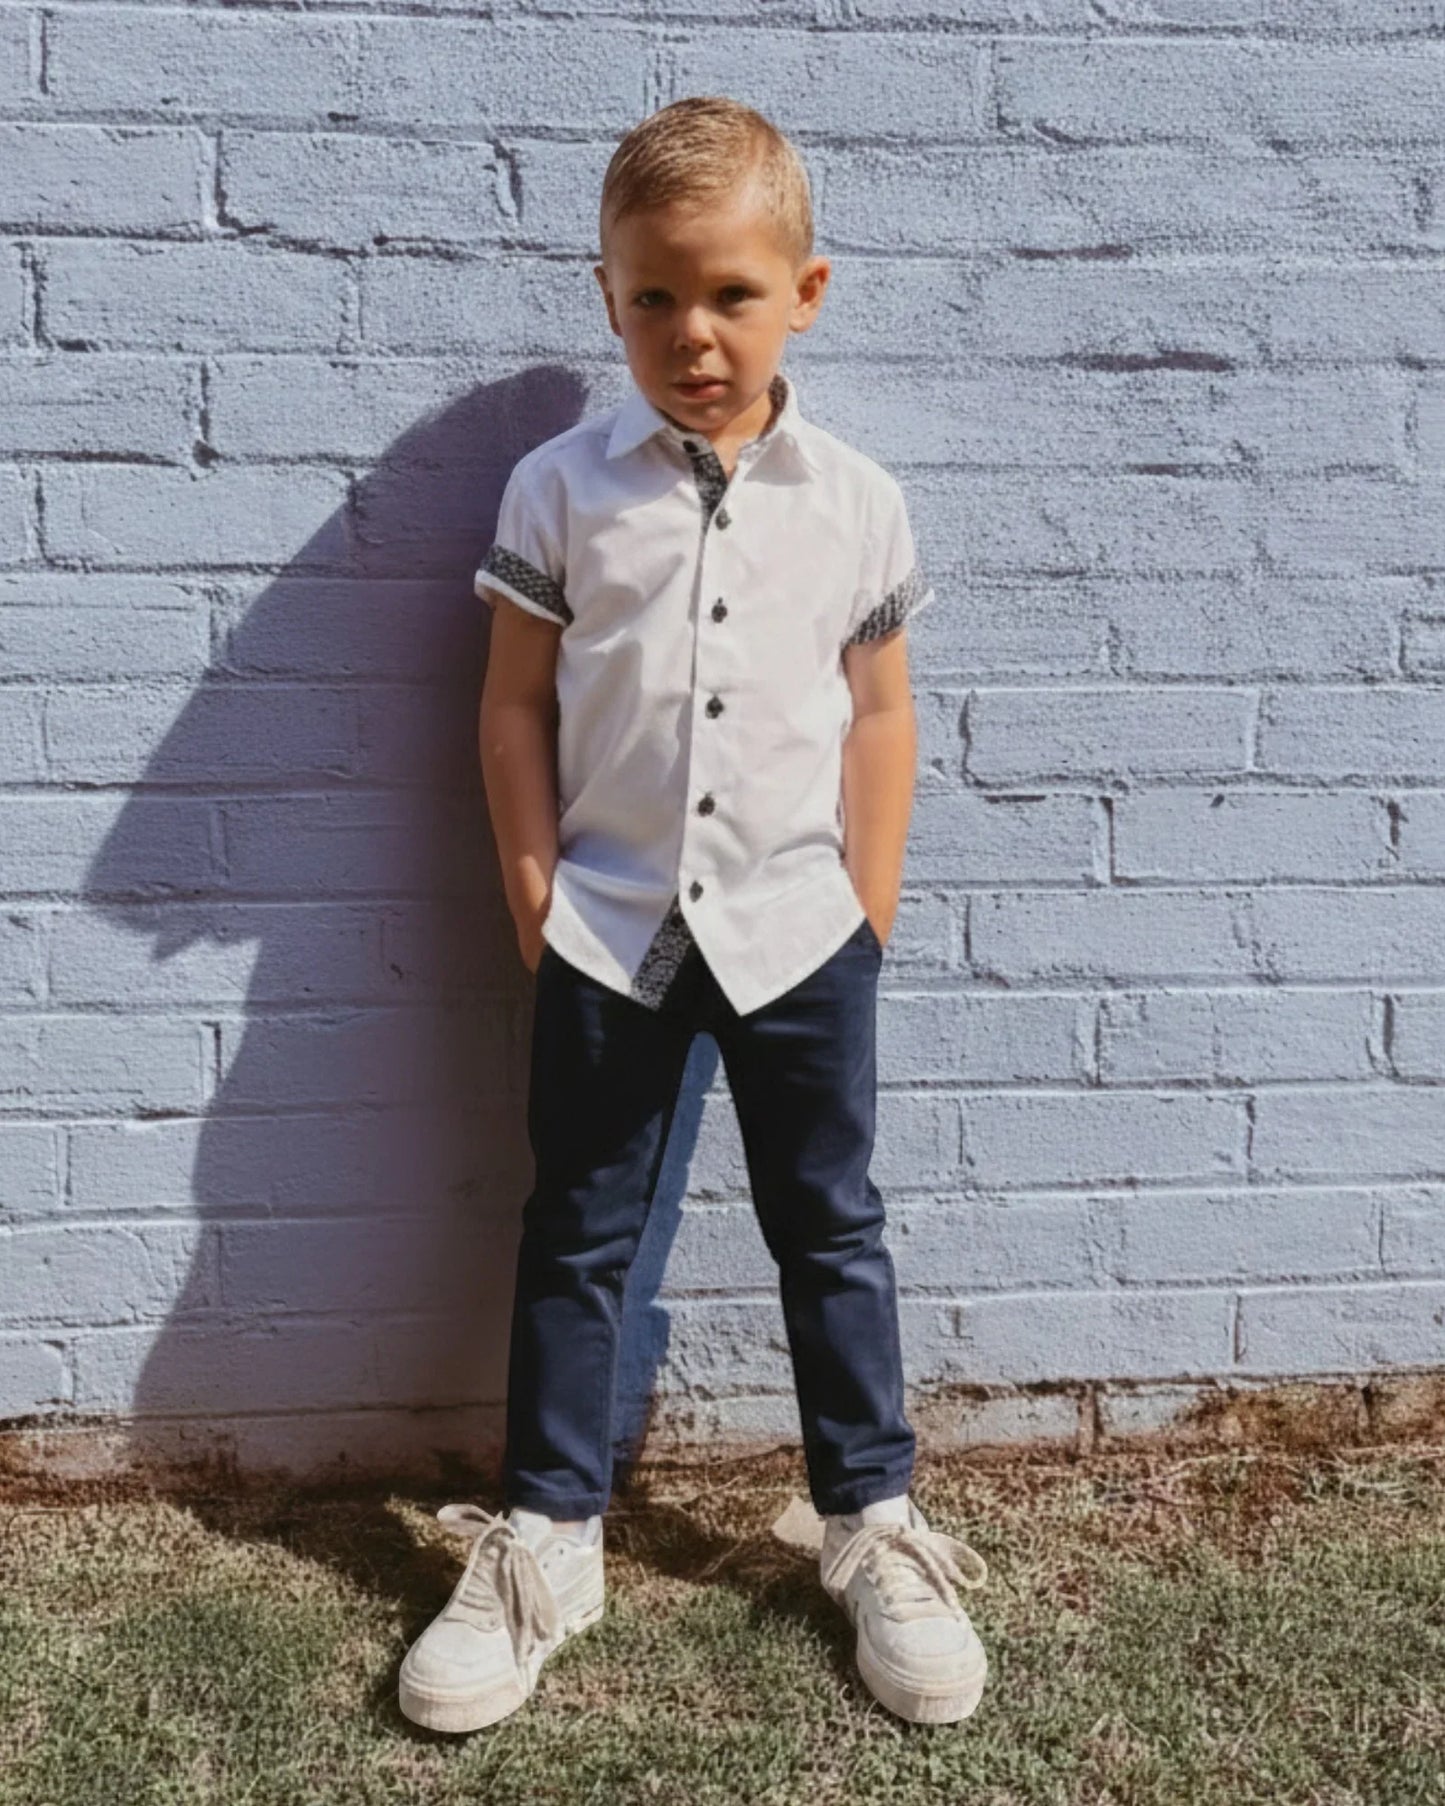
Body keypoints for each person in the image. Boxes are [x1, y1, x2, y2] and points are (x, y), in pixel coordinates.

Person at [398, 94, 989, 1736]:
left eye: (729, 293)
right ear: (607, 299)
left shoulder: (853, 498)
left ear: (805, 290)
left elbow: (880, 710)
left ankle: (868, 1521)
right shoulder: (560, 490)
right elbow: (513, 706)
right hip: (605, 932)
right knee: (576, 1233)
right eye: (652, 297)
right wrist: (532, 893)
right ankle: (548, 1537)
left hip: (803, 931)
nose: (692, 333)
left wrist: (862, 908)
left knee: (831, 1226)